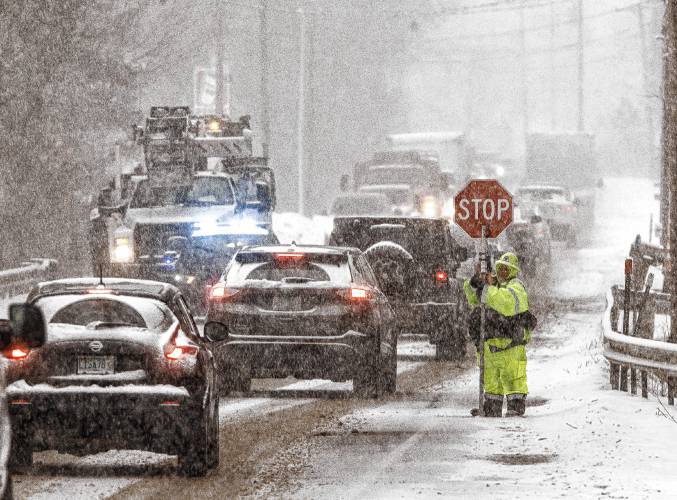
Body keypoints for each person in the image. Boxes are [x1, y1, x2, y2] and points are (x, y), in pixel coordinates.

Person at [463, 252, 536, 417]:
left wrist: (487, 290)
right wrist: (473, 283)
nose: (502, 272)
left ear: (513, 271)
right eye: (500, 268)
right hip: (491, 344)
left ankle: (515, 407)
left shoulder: (516, 287)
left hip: (511, 345)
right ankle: (491, 407)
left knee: (514, 378)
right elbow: (474, 300)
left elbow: (506, 303)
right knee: (491, 381)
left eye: (506, 269)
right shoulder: (494, 285)